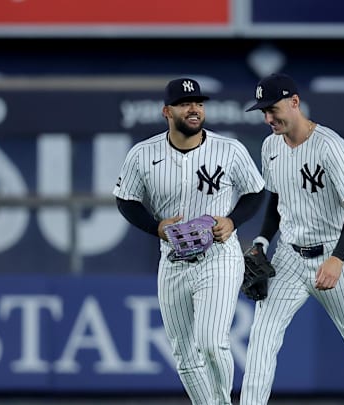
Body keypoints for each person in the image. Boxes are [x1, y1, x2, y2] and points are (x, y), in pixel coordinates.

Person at [240, 73, 344, 405]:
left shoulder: (329, 145)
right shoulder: (271, 146)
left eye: (273, 109)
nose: (268, 118)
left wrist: (338, 258)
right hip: (289, 258)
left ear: (294, 102)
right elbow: (275, 201)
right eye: (263, 112)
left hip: (334, 254)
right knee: (261, 341)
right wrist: (262, 243)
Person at [113, 77, 265, 405]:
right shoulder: (143, 154)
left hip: (219, 255)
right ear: (167, 111)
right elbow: (125, 200)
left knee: (211, 342)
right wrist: (155, 227)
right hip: (173, 260)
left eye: (198, 102)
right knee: (184, 353)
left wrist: (232, 220)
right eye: (185, 103)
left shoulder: (230, 149)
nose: (194, 108)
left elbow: (256, 191)